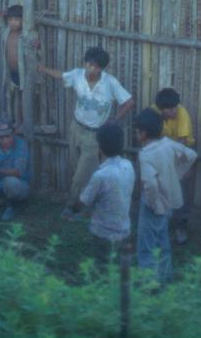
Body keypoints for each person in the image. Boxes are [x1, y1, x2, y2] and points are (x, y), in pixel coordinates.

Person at [37, 46, 134, 220]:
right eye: (89, 64)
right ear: (85, 63)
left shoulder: (110, 83)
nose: (91, 69)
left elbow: (129, 102)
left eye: (96, 66)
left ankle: (71, 206)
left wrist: (115, 119)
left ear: (101, 68)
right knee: (76, 169)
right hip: (76, 128)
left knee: (80, 177)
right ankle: (89, 204)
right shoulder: (77, 75)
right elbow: (61, 75)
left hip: (94, 136)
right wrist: (42, 69)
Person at [134, 108, 197, 284]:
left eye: (137, 130)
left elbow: (151, 184)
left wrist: (155, 205)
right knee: (162, 241)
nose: (136, 133)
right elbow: (191, 155)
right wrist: (178, 173)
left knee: (147, 244)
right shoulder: (168, 144)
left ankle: (149, 284)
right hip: (170, 200)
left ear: (143, 134)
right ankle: (165, 278)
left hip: (153, 204)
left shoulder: (145, 154)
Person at [79, 122, 135, 264]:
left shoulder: (101, 175)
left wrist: (73, 210)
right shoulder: (128, 166)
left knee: (102, 267)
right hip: (124, 230)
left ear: (100, 147)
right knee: (123, 268)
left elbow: (85, 200)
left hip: (102, 234)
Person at [153, 87, 195, 244]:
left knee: (180, 188)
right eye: (170, 109)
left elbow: (182, 143)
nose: (174, 111)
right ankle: (161, 225)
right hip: (159, 154)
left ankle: (181, 226)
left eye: (175, 107)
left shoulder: (182, 113)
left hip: (180, 153)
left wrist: (184, 167)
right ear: (161, 109)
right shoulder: (153, 113)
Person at [0, 5, 39, 134]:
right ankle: (17, 122)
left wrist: (37, 43)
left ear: (23, 20)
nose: (13, 22)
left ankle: (24, 123)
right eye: (10, 19)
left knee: (25, 98)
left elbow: (35, 41)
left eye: (17, 20)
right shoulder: (6, 32)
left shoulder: (26, 34)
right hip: (11, 72)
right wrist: (2, 14)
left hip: (24, 73)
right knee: (15, 97)